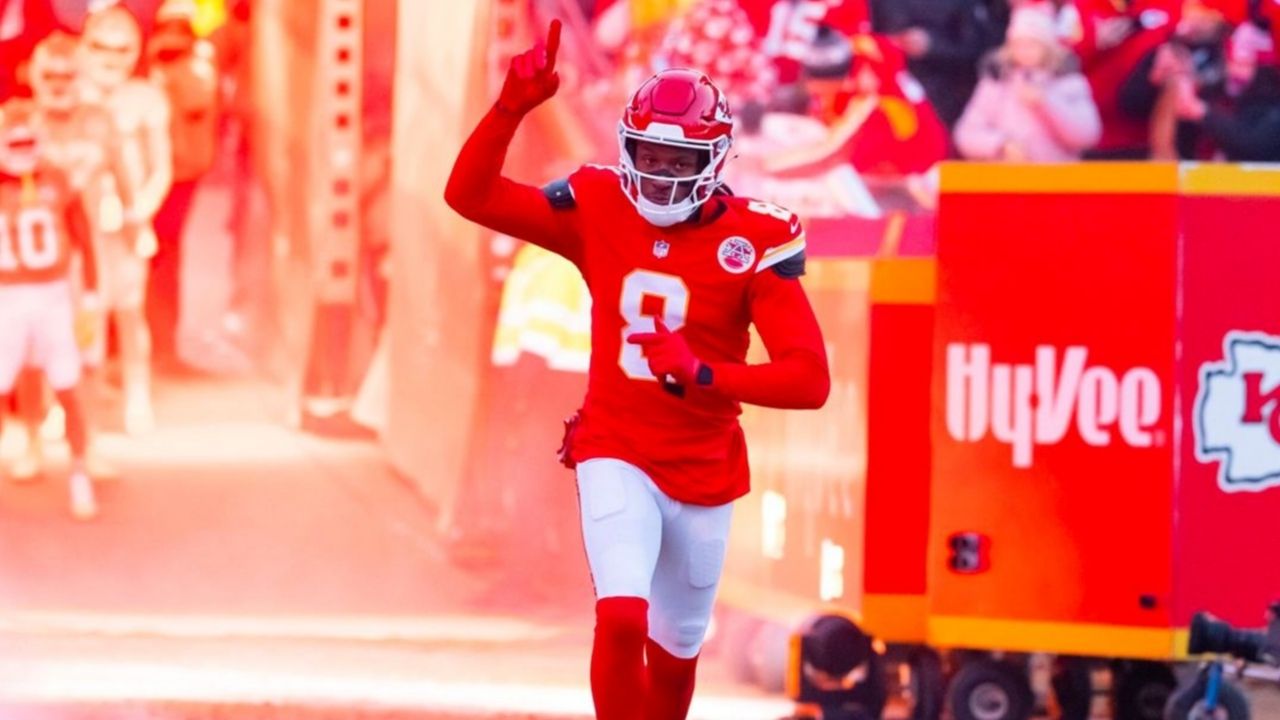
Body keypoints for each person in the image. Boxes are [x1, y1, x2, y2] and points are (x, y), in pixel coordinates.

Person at [445, 20, 830, 720]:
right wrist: (511, 107)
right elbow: (471, 196)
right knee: (621, 619)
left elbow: (809, 378)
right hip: (615, 444)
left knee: (676, 650)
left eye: (679, 161)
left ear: (714, 161)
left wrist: (705, 374)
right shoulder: (600, 205)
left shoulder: (754, 240)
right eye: (649, 155)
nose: (659, 174)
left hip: (706, 464)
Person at [0, 98, 101, 519]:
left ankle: (79, 469)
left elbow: (83, 235)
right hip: (8, 297)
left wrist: (90, 295)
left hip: (52, 295)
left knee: (65, 380)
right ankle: (33, 443)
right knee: (11, 376)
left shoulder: (58, 180)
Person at [78, 3, 173, 434]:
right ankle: (79, 400)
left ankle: (138, 396)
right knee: (81, 313)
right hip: (78, 224)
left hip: (128, 220)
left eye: (121, 49)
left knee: (130, 312)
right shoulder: (69, 93)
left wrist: (140, 211)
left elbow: (161, 168)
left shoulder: (145, 98)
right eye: (101, 47)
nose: (110, 58)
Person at [955, 4, 1102, 161]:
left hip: (1057, 178)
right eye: (1018, 44)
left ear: (1047, 47)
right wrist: (1000, 144)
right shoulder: (996, 83)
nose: (1024, 51)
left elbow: (1087, 136)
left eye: (1032, 44)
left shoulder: (1068, 82)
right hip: (1008, 179)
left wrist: (1047, 103)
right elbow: (965, 134)